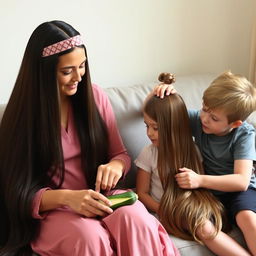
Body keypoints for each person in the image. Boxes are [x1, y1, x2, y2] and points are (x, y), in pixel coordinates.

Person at [0, 21, 180, 256]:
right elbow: (15, 191)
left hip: (102, 198)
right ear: (43, 72)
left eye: (82, 66)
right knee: (89, 237)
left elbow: (120, 155)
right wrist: (69, 198)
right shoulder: (22, 115)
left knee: (137, 219)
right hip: (55, 211)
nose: (78, 77)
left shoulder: (94, 97)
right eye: (67, 71)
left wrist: (115, 166)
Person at [153, 71, 256, 255]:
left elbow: (241, 181)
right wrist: (162, 93)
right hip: (209, 195)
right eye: (204, 108)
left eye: (214, 118)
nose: (204, 118)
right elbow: (162, 112)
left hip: (240, 192)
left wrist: (199, 180)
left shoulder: (244, 134)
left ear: (235, 124)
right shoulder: (199, 121)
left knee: (247, 217)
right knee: (200, 225)